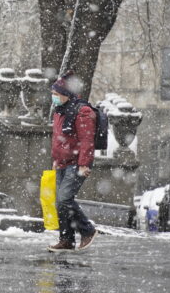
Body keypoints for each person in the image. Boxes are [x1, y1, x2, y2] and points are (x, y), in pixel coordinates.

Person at [48, 70, 98, 252]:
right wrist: (55, 160)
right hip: (62, 163)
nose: (53, 97)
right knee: (59, 203)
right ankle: (66, 239)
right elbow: (58, 139)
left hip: (77, 163)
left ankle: (87, 231)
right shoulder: (59, 111)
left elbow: (87, 140)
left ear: (65, 95)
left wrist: (84, 163)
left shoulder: (82, 111)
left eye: (56, 94)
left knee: (64, 200)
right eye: (52, 94)